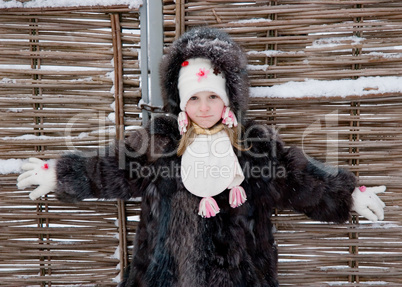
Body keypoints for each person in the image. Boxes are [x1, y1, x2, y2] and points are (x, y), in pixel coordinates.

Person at [17, 27, 386, 287]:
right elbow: (109, 168)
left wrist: (348, 194)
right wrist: (61, 173)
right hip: (164, 277)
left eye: (213, 96)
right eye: (194, 97)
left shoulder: (253, 146)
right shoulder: (159, 144)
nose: (204, 106)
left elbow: (297, 178)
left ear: (229, 97)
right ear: (181, 101)